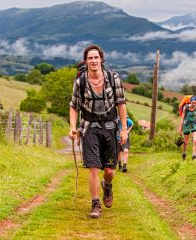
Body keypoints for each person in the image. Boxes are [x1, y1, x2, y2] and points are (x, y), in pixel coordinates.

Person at [68, 44, 127, 219]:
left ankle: (107, 186)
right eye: (90, 58)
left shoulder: (113, 78)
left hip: (110, 126)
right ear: (86, 61)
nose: (93, 61)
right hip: (90, 127)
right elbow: (73, 107)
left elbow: (121, 104)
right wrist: (73, 127)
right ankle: (95, 204)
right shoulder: (81, 82)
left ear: (101, 59)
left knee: (109, 171)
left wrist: (123, 129)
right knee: (93, 168)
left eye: (96, 57)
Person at [178, 95, 196, 160]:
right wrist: (180, 128)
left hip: (194, 125)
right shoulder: (186, 108)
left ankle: (194, 156)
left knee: (195, 140)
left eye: (195, 103)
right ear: (190, 102)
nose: (194, 104)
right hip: (187, 125)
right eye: (193, 103)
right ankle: (184, 153)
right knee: (185, 142)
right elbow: (182, 118)